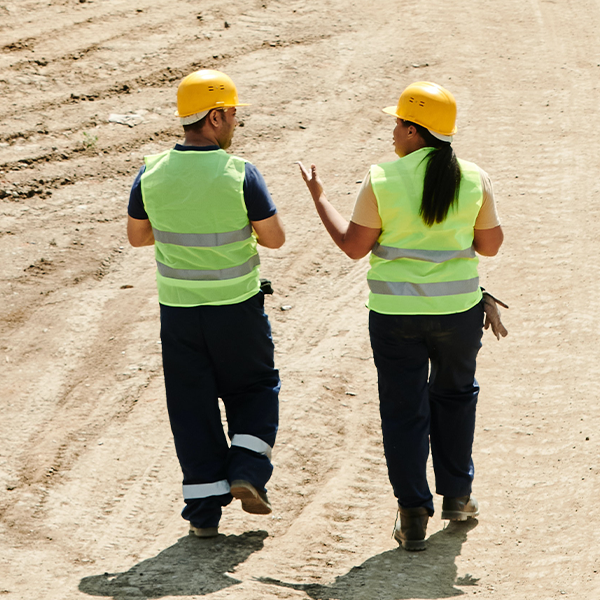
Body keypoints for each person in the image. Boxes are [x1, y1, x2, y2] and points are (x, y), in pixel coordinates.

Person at [298, 81, 504, 551]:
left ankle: (412, 514)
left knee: (403, 410)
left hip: (395, 318)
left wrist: (319, 197)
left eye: (397, 123)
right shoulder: (473, 177)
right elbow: (490, 245)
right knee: (455, 399)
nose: (392, 131)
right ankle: (458, 496)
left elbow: (353, 247)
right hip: (458, 316)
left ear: (414, 129)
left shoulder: (383, 178)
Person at [127, 69, 285, 538]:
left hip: (178, 313)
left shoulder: (151, 171)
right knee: (255, 389)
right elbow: (274, 238)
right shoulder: (239, 172)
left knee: (191, 407)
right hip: (236, 308)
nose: (236, 121)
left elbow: (137, 238)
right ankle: (248, 470)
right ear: (215, 117)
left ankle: (202, 517)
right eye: (233, 113)